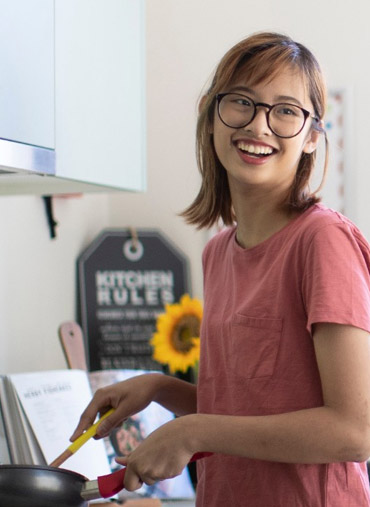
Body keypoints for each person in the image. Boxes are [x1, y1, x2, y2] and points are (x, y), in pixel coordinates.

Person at [70, 32, 370, 506]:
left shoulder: (322, 242)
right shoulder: (219, 252)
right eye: (242, 102)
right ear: (212, 116)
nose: (260, 126)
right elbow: (249, 412)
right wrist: (159, 387)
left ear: (312, 137)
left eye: (286, 111)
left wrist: (192, 432)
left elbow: (354, 430)